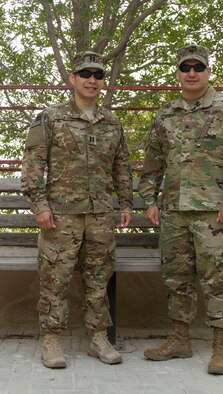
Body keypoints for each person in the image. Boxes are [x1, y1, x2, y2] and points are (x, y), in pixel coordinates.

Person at [138, 44, 223, 375]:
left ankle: (221, 347)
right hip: (174, 212)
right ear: (177, 73)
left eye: (198, 67)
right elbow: (152, 163)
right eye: (185, 67)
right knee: (176, 279)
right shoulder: (165, 114)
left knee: (217, 279)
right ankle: (179, 339)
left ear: (207, 72)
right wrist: (148, 199)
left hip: (213, 214)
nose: (192, 73)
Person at [21, 51, 133, 368]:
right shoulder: (50, 118)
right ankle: (52, 341)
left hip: (99, 215)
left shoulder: (111, 122)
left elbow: (121, 166)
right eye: (86, 73)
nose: (92, 80)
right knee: (54, 280)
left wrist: (125, 202)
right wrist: (40, 206)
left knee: (99, 279)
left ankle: (98, 338)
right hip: (60, 216)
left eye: (98, 75)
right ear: (73, 78)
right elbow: (32, 166)